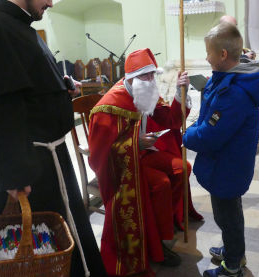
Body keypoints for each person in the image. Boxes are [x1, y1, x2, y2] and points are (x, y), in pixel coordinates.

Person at [0, 0, 106, 277]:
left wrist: (62, 86)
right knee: (37, 246)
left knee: (55, 237)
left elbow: (27, 82)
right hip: (31, 162)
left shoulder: (16, 25)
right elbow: (0, 105)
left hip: (43, 155)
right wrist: (15, 175)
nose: (51, 3)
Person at [87, 48, 202, 276]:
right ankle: (156, 242)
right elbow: (99, 154)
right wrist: (135, 143)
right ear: (130, 78)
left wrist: (181, 92)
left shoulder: (146, 91)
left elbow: (169, 119)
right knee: (161, 184)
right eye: (144, 76)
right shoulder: (109, 106)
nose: (150, 81)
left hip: (144, 154)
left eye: (152, 75)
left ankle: (169, 220)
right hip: (124, 164)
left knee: (182, 168)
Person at [183, 23, 259, 277]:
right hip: (225, 164)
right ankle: (234, 250)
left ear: (223, 55)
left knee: (228, 217)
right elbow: (210, 110)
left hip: (227, 166)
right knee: (229, 214)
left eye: (209, 52)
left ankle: (232, 265)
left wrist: (187, 135)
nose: (206, 57)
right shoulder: (229, 78)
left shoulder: (235, 92)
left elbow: (211, 135)